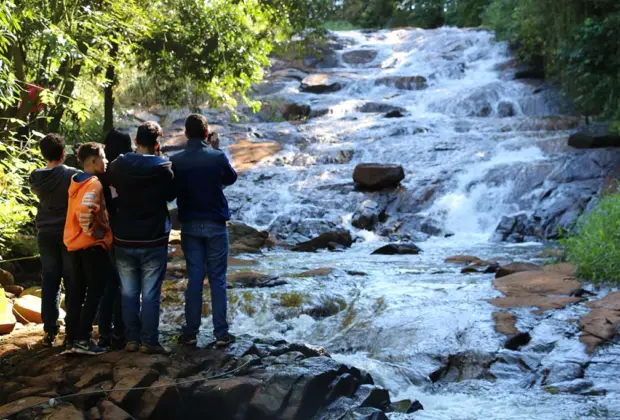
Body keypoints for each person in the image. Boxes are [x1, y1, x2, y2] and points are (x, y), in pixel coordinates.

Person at [107, 121, 175, 354]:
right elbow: (171, 196)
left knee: (128, 292)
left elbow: (109, 183)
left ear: (136, 141)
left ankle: (131, 339)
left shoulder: (118, 165)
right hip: (153, 238)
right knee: (151, 293)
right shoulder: (164, 167)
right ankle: (149, 341)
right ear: (157, 144)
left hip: (124, 237)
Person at [170, 114, 237, 347]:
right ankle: (221, 334)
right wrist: (215, 150)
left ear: (186, 134)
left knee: (195, 279)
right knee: (217, 279)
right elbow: (231, 178)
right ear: (207, 134)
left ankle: (190, 333)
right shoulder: (216, 156)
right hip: (215, 225)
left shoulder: (176, 160)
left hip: (189, 225)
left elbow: (171, 192)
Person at [63, 142, 115, 355]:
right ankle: (83, 339)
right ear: (93, 161)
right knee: (96, 291)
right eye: (103, 157)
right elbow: (86, 211)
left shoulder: (75, 181)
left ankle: (71, 338)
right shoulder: (94, 184)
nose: (106, 161)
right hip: (91, 246)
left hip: (73, 245)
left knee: (76, 293)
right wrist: (96, 233)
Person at [29, 134, 78, 347]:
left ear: (43, 154)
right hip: (68, 232)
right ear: (63, 152)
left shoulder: (36, 177)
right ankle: (72, 328)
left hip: (45, 232)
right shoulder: (73, 175)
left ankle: (49, 329)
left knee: (50, 279)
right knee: (71, 279)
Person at [96, 129, 132, 349]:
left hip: (99, 236)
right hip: (120, 234)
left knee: (107, 285)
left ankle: (103, 333)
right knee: (121, 285)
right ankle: (120, 331)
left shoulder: (100, 175)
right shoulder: (123, 171)